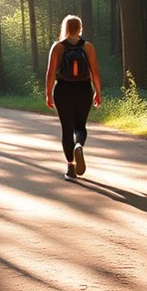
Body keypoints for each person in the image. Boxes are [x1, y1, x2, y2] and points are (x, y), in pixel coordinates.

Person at [45, 14, 102, 180]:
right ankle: (79, 145)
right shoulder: (88, 47)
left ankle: (71, 168)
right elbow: (95, 72)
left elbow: (50, 73)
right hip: (84, 89)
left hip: (63, 90)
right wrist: (98, 92)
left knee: (67, 129)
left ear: (65, 28)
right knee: (80, 127)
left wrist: (48, 94)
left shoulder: (58, 47)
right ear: (80, 28)